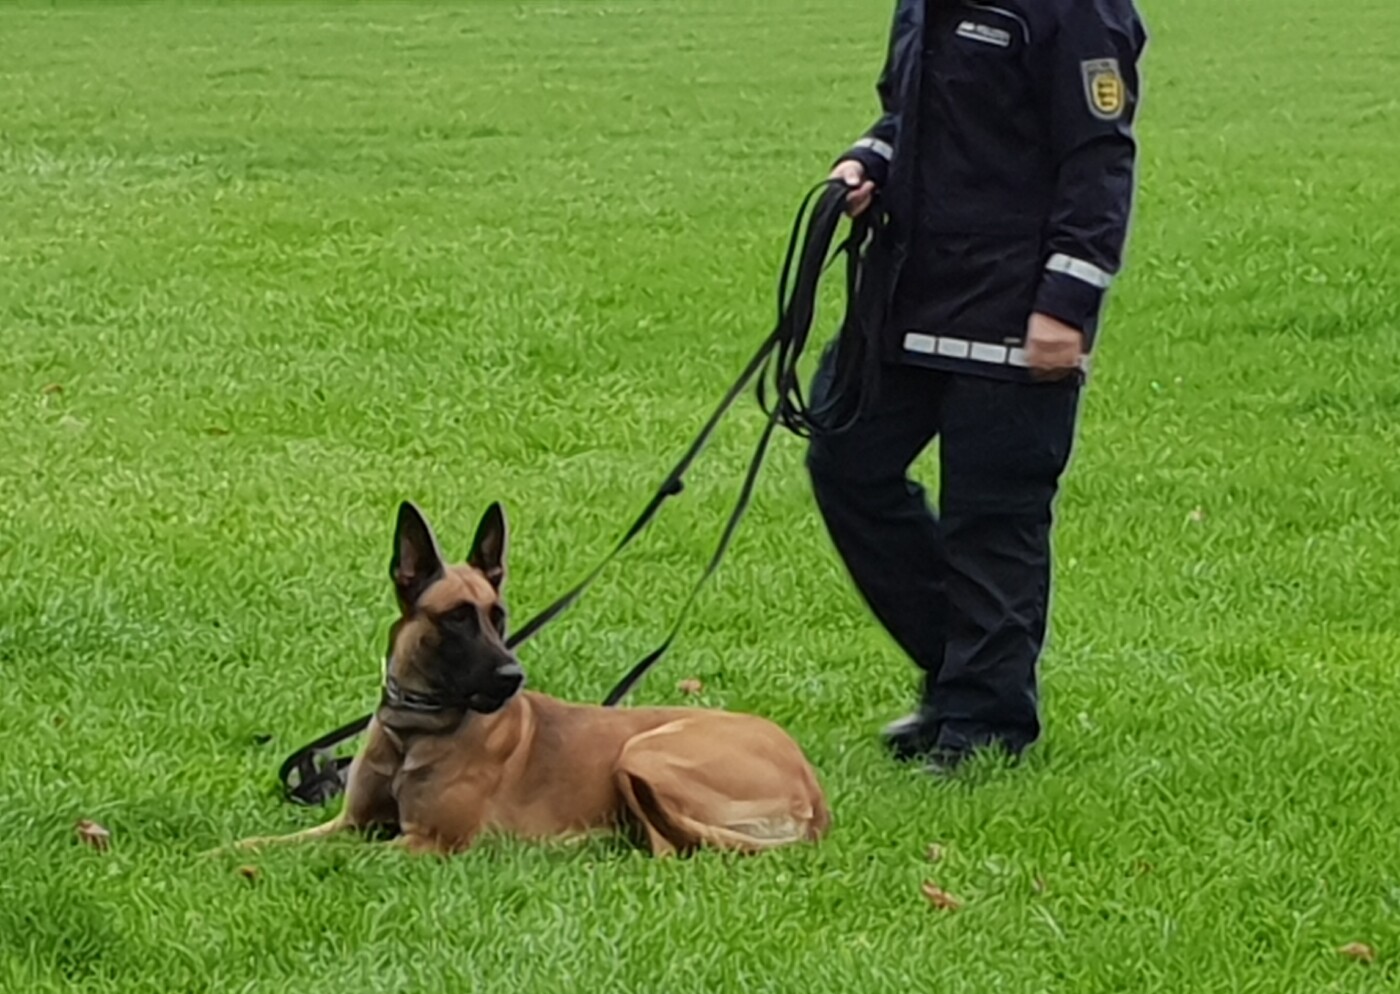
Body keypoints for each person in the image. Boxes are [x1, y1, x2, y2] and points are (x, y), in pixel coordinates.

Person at [806, 0, 1147, 773]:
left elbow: (1099, 162)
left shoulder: (1079, 11)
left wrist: (1066, 306)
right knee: (844, 460)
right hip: (907, 296)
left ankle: (987, 726)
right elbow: (910, 117)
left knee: (992, 522)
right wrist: (869, 162)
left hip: (1016, 311)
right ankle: (963, 672)